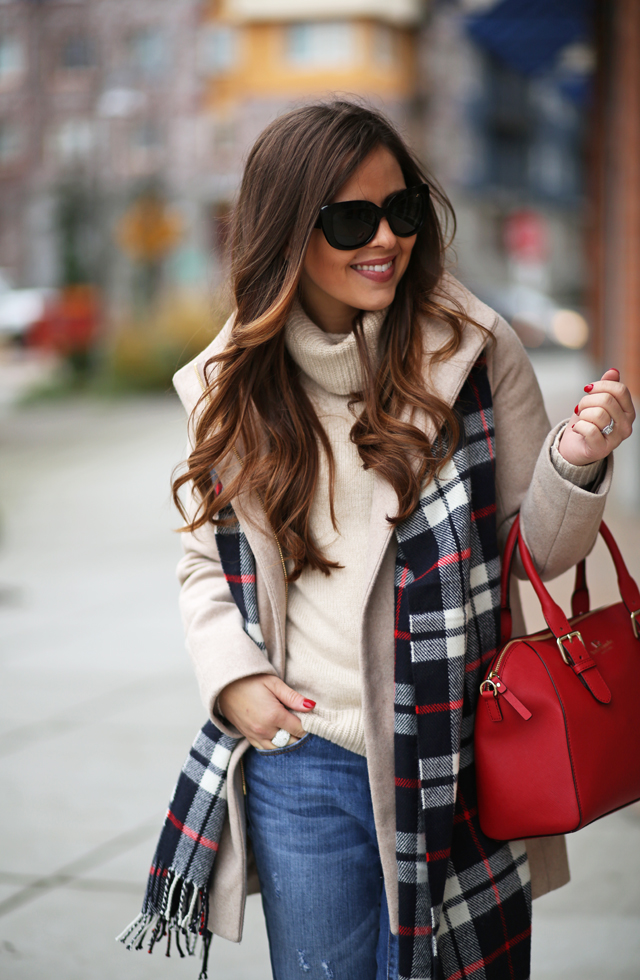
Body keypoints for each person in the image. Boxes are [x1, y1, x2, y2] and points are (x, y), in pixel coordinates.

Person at [170, 101, 635, 980]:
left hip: (455, 752)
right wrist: (231, 679)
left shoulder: (474, 351)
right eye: (353, 218)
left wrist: (573, 463)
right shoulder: (235, 384)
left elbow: (538, 554)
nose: (386, 237)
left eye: (404, 208)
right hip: (302, 763)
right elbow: (203, 556)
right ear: (287, 231)